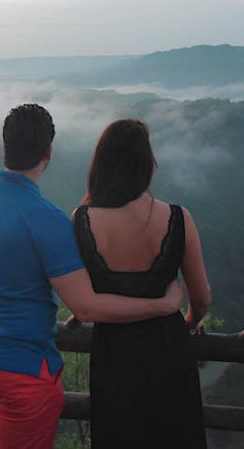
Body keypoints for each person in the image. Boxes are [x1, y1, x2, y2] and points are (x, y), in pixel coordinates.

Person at [0, 104, 185, 449]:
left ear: (5, 144)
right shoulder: (46, 218)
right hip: (22, 372)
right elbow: (87, 306)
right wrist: (162, 305)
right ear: (49, 152)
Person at [72, 118, 212, 448]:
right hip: (168, 348)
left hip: (113, 354)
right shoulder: (178, 217)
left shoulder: (81, 220)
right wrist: (188, 322)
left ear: (101, 163)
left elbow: (83, 298)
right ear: (146, 164)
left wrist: (82, 312)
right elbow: (201, 297)